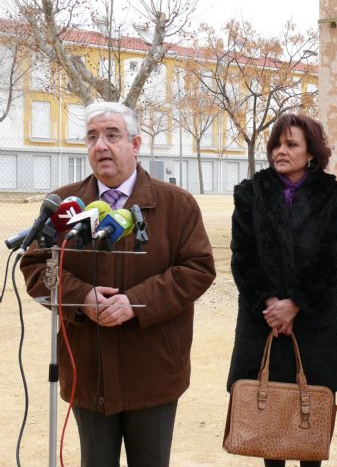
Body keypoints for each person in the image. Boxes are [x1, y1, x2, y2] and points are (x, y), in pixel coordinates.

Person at [20, 102, 216, 467]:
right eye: (92, 137)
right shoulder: (63, 204)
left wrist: (135, 302)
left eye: (112, 135)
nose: (101, 145)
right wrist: (82, 299)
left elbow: (198, 269)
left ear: (136, 143)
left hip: (154, 370)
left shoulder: (177, 204)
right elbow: (35, 267)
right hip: (87, 370)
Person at [226, 113, 337, 467]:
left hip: (313, 324)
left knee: (309, 425)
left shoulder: (334, 198)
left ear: (311, 152)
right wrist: (270, 304)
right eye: (276, 144)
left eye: (291, 144)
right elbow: (242, 256)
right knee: (268, 428)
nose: (281, 151)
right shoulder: (251, 193)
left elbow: (331, 261)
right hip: (262, 321)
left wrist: (295, 303)